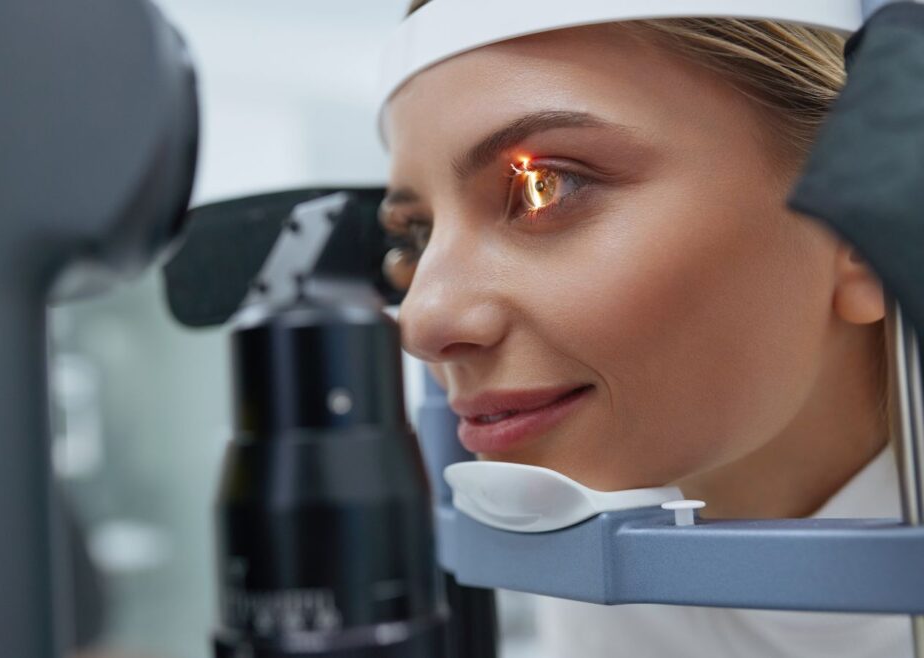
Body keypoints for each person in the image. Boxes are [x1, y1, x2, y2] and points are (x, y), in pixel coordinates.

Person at [378, 2, 911, 656]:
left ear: (863, 219)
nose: (423, 322)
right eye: (418, 235)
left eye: (545, 185)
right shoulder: (590, 532)